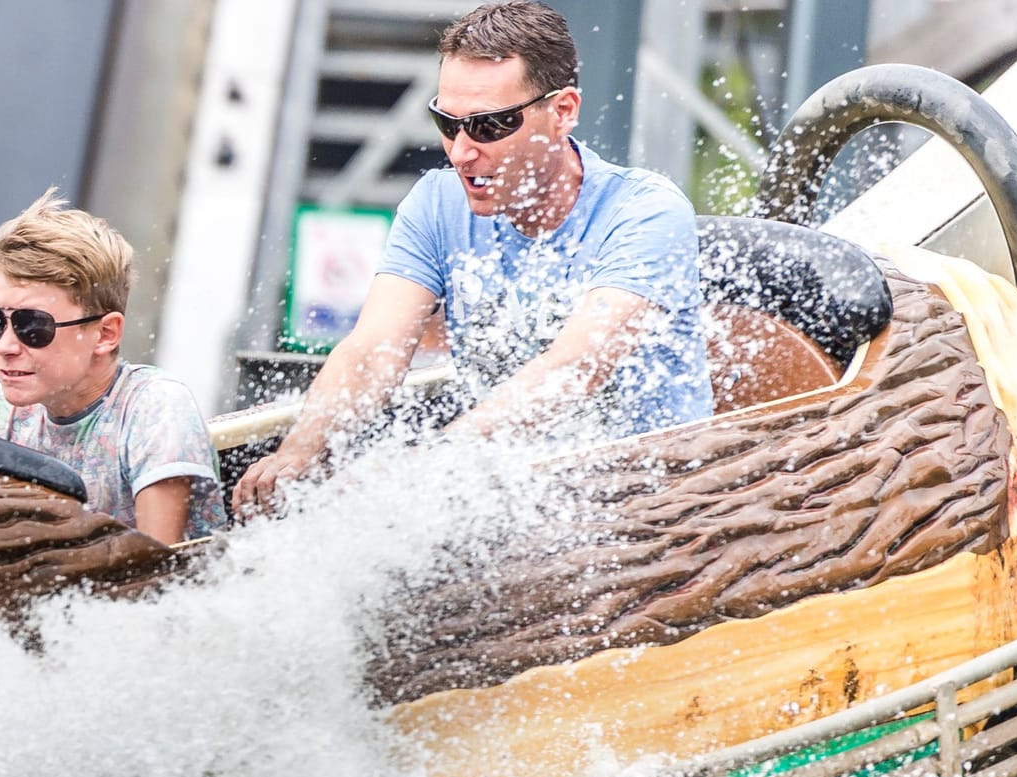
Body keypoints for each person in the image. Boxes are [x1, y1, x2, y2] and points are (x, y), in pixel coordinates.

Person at [234, 0, 711, 516]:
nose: (461, 151)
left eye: (489, 126)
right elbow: (372, 352)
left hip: (647, 502)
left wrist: (430, 466)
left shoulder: (646, 211)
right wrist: (301, 452)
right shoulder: (436, 203)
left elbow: (574, 368)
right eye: (447, 121)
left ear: (563, 112)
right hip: (505, 492)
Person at [0, 189, 227, 545]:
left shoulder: (155, 408)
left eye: (33, 326)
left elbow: (157, 572)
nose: (6, 346)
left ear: (105, 334)